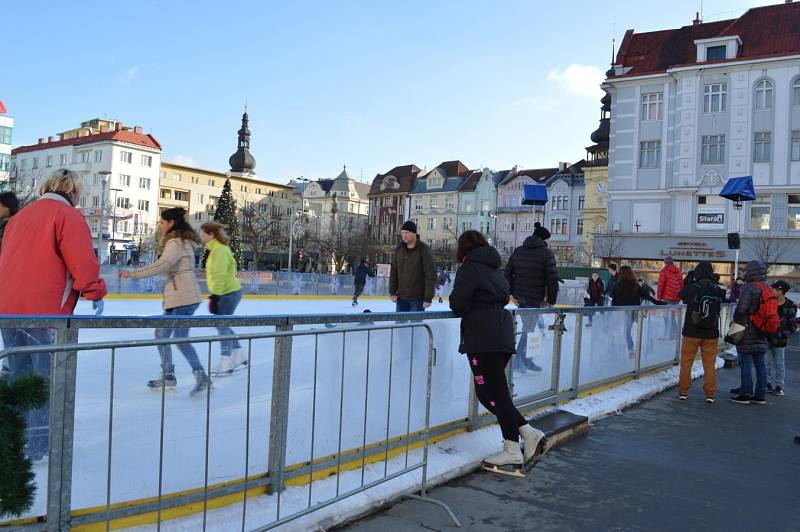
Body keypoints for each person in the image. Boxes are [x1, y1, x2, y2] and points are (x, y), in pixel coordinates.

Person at [0, 170, 107, 461]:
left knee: (19, 379)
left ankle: (13, 442)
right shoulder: (68, 216)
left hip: (8, 311)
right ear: (72, 192)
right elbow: (82, 262)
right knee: (44, 382)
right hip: (45, 314)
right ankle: (38, 448)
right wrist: (94, 290)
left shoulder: (18, 219)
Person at [449, 230, 547, 475]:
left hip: (483, 337)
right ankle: (528, 432)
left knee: (496, 394)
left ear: (464, 249)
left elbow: (457, 303)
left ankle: (512, 450)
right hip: (500, 333)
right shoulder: (494, 267)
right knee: (488, 394)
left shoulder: (470, 268)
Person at [120, 208, 210, 395]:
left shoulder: (176, 242)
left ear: (171, 223)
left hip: (184, 297)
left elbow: (163, 265)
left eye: (162, 222)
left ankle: (201, 376)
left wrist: (134, 274)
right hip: (178, 297)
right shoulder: (179, 241)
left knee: (180, 339)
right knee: (161, 335)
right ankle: (168, 375)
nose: (160, 226)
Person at [504, 224, 559, 373]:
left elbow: (507, 274)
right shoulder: (546, 253)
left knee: (528, 329)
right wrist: (552, 300)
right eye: (547, 239)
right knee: (529, 329)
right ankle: (520, 360)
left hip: (520, 298)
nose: (548, 242)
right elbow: (552, 279)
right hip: (535, 299)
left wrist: (510, 293)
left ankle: (521, 361)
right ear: (542, 239)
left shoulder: (518, 251)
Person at [201, 222, 246, 376]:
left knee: (222, 326)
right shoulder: (217, 249)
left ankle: (226, 362)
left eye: (204, 234)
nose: (202, 237)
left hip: (227, 293)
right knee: (223, 325)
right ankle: (239, 356)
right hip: (228, 292)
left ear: (211, 235)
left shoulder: (219, 250)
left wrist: (216, 297)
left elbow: (219, 275)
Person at [677, 261, 726, 402]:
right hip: (711, 333)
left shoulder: (693, 288)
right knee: (709, 363)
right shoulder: (717, 289)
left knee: (687, 362)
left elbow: (680, 294)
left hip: (691, 331)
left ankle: (683, 392)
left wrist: (689, 279)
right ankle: (710, 394)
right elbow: (725, 299)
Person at [730, 261, 770, 405]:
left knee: (745, 361)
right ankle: (760, 395)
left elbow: (741, 309)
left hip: (747, 329)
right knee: (760, 362)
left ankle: (745, 393)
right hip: (762, 329)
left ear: (750, 271)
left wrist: (735, 320)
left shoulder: (749, 287)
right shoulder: (767, 287)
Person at [608, 265, 664, 358]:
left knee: (626, 333)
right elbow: (645, 295)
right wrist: (658, 302)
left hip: (623, 313)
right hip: (636, 311)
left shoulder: (618, 285)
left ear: (621, 274)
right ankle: (641, 349)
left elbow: (613, 296)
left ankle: (628, 350)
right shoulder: (635, 284)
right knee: (640, 330)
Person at [389, 221, 436, 312]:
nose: (404, 235)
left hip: (418, 299)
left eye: (407, 233)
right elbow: (393, 272)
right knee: (400, 326)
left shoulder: (424, 249)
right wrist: (392, 292)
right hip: (401, 298)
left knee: (415, 326)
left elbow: (430, 274)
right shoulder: (399, 249)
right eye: (402, 233)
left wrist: (428, 298)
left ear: (414, 233)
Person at [0, 191, 20, 378]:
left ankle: (9, 362)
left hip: (9, 283)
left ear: (6, 207)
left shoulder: (11, 226)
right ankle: (9, 361)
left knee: (11, 325)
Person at [765, 280, 794, 397]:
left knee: (779, 364)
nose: (772, 291)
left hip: (780, 340)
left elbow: (792, 326)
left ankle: (779, 386)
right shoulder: (770, 302)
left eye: (774, 289)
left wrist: (783, 335)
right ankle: (767, 384)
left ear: (780, 291)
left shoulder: (790, 305)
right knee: (767, 363)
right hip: (767, 337)